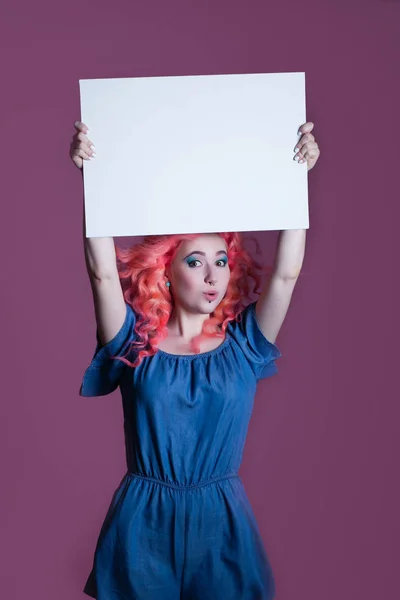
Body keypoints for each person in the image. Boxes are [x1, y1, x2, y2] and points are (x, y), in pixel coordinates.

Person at [70, 119, 320, 599]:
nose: (213, 274)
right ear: (165, 274)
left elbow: (286, 276)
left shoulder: (244, 345)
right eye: (195, 261)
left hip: (221, 519)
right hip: (142, 520)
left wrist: (299, 178)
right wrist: (91, 178)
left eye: (221, 261)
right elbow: (102, 274)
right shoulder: (133, 343)